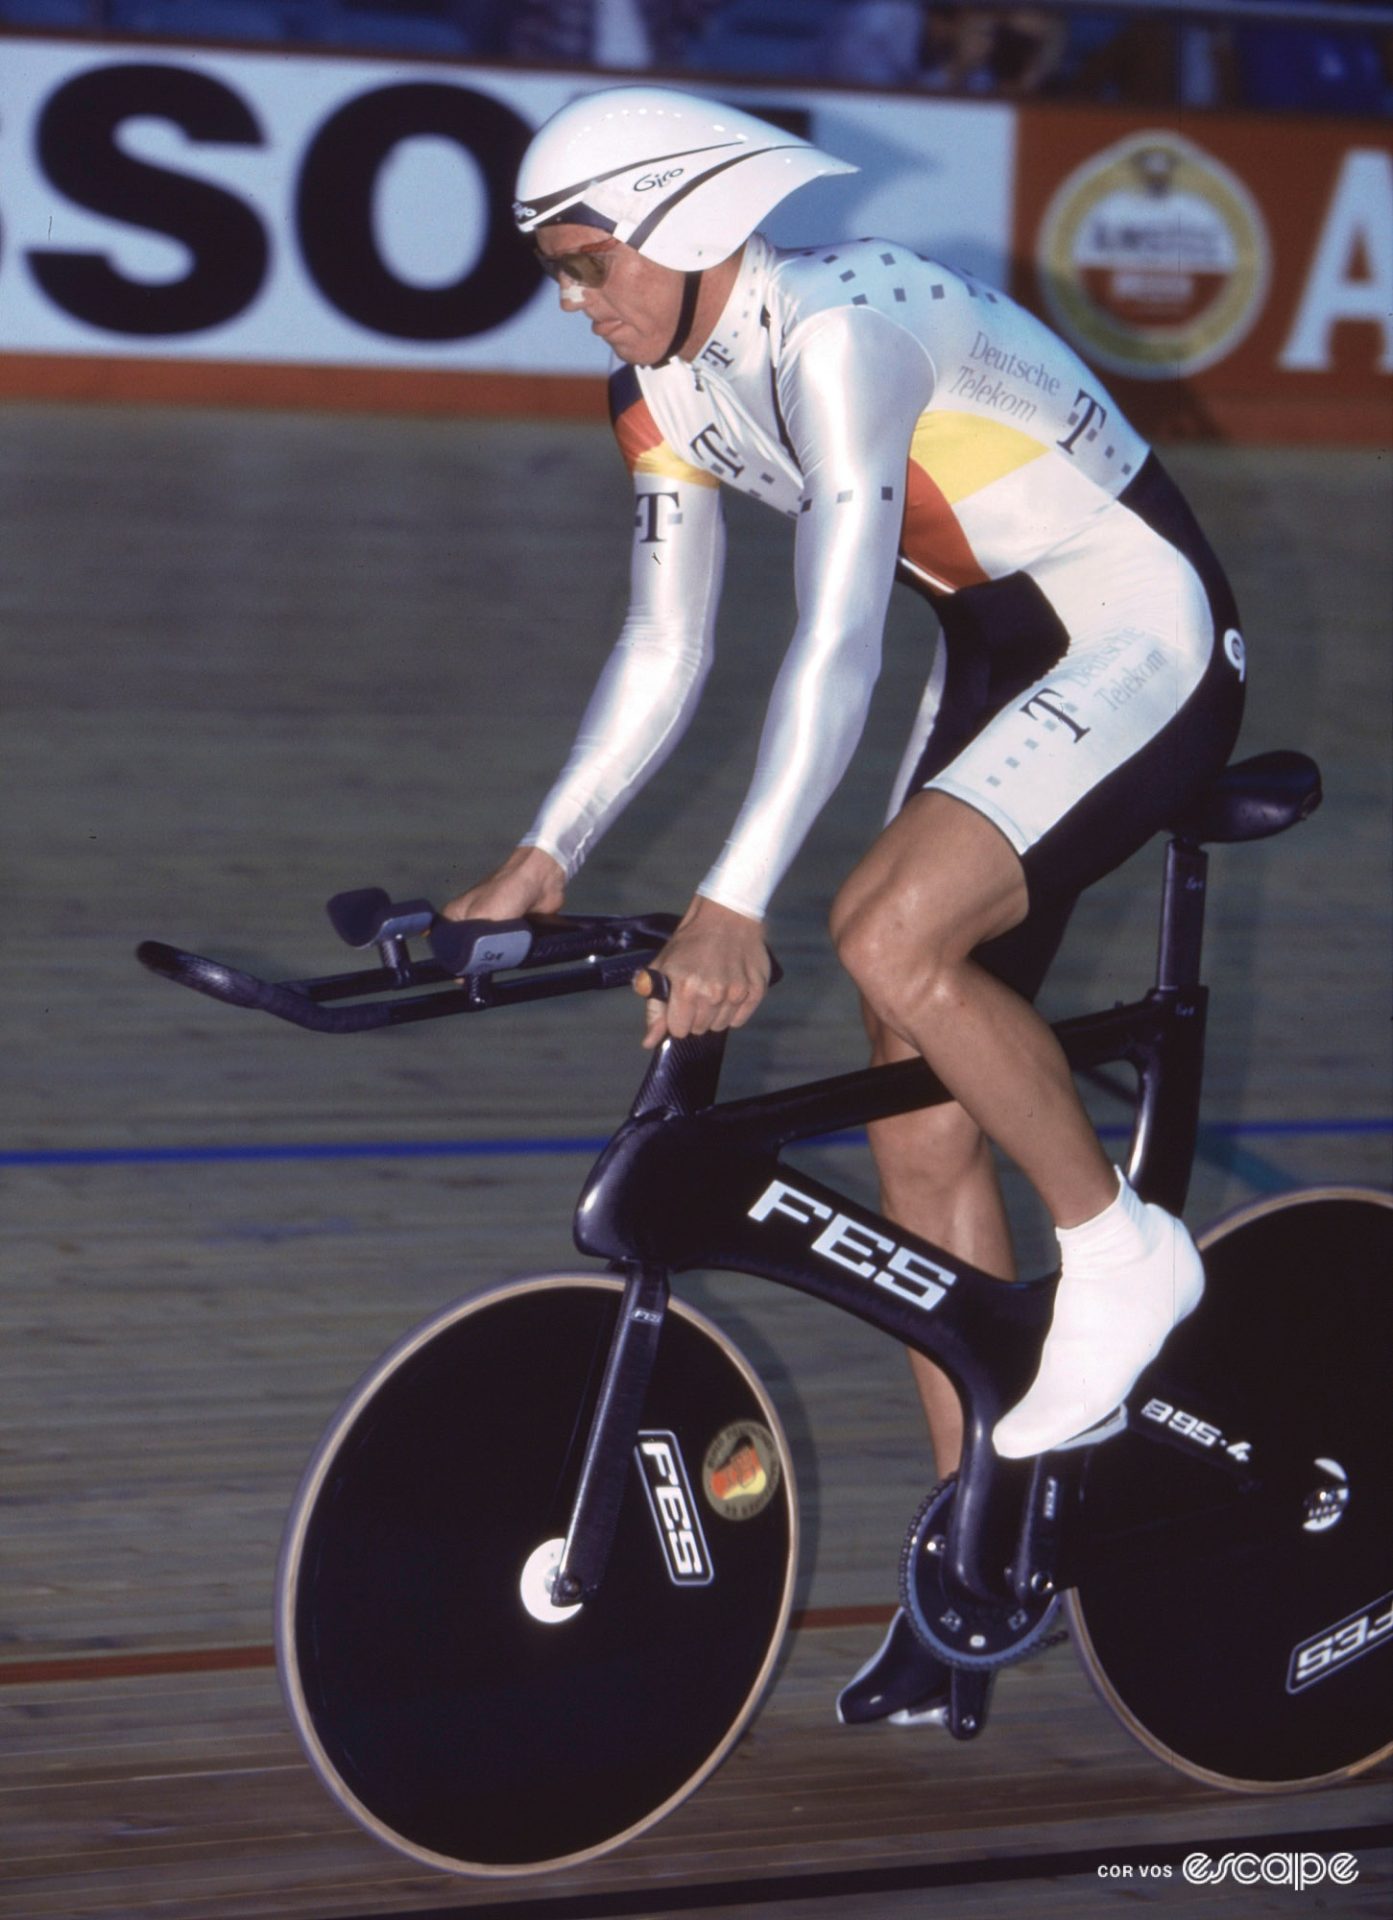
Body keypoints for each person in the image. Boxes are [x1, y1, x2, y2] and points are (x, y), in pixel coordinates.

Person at [444, 86, 1246, 1724]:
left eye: (590, 260)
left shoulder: (839, 335)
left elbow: (835, 644)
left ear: (684, 226)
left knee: (884, 930)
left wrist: (731, 902)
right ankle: (977, 1566)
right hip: (1005, 652)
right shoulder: (655, 388)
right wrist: (547, 850)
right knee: (915, 1114)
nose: (577, 299)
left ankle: (1121, 1257)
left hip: (1137, 632)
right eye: (554, 272)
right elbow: (666, 643)